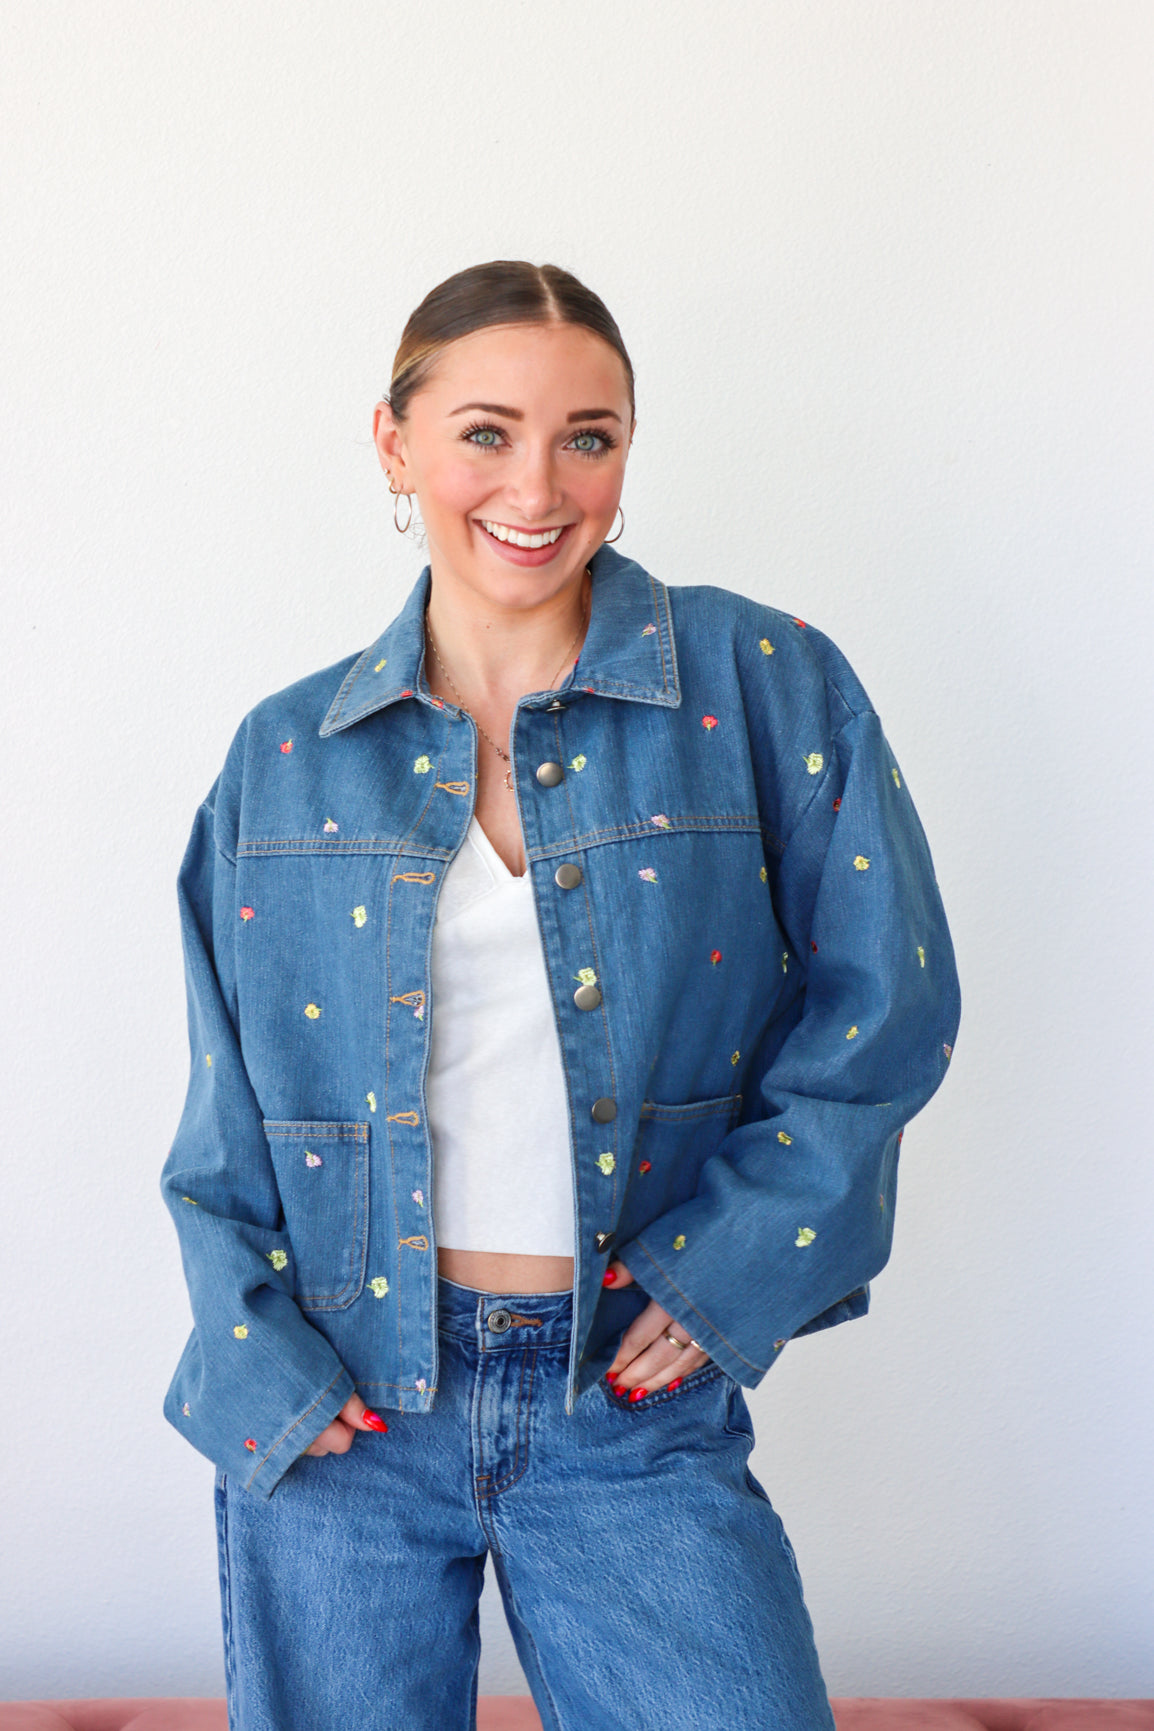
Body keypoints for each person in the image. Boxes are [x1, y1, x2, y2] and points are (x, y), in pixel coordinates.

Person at [162, 259, 961, 1730]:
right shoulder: (284, 757)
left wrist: (735, 1267)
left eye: (585, 437)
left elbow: (884, 1011)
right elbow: (229, 1128)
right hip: (341, 1405)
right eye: (485, 432)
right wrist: (254, 1349)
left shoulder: (760, 684)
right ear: (394, 447)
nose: (537, 485)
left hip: (625, 1401)